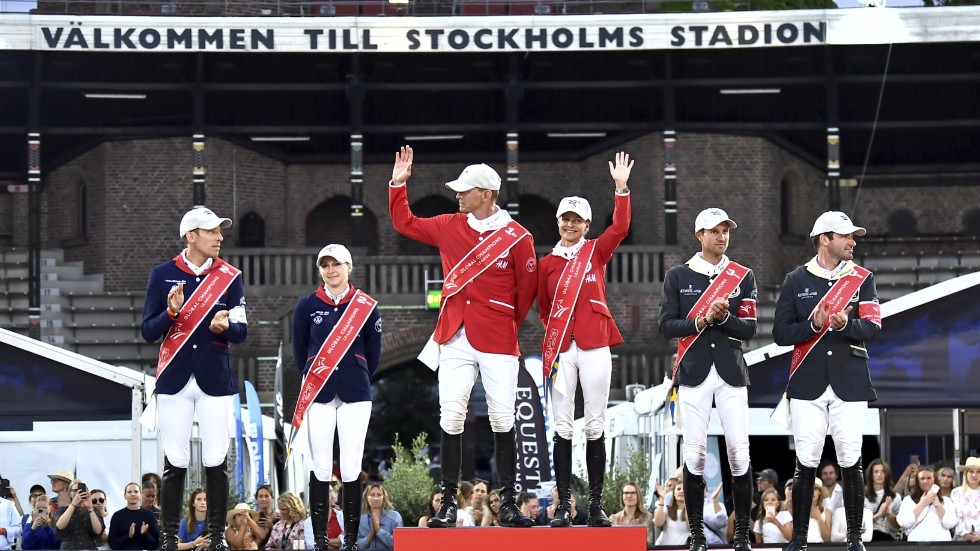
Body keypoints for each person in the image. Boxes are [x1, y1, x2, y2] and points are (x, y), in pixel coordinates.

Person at [388, 146, 536, 529]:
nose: (457, 195)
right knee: (450, 417)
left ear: (485, 194)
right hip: (453, 335)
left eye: (464, 190)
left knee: (503, 419)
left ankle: (507, 504)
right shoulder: (450, 224)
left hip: (498, 337)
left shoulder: (518, 237)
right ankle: (449, 506)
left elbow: (527, 292)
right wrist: (398, 184)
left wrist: (503, 322)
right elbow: (405, 222)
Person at [773, 211, 881, 551]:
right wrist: (815, 326)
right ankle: (800, 541)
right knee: (806, 460)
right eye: (846, 236)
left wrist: (842, 326)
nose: (853, 241)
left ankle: (854, 540)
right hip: (808, 381)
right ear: (825, 239)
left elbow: (873, 327)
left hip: (850, 380)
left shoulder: (863, 279)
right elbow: (780, 333)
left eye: (853, 237)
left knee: (851, 458)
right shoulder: (795, 279)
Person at [142, 206, 248, 551]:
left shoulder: (231, 276)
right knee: (175, 460)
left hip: (215, 378)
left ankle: (217, 537)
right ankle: (170, 538)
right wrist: (171, 312)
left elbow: (242, 331)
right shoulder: (161, 275)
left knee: (216, 459)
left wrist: (226, 327)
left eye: (220, 231)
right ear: (191, 236)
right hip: (174, 377)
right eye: (212, 231)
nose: (219, 237)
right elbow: (147, 331)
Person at [537, 152, 633, 528]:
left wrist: (621, 189)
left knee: (594, 424)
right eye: (565, 218)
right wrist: (560, 334)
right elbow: (544, 309)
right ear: (558, 222)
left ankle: (595, 505)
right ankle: (563, 506)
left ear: (587, 224)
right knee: (562, 427)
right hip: (562, 349)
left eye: (577, 220)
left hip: (595, 345)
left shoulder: (596, 251)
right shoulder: (546, 264)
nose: (570, 224)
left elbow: (621, 227)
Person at [658, 207, 758, 551]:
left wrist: (726, 315)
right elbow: (665, 325)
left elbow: (750, 327)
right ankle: (697, 535)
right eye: (714, 231)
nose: (722, 236)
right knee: (695, 454)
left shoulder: (743, 276)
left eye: (726, 230)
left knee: (739, 453)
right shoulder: (677, 275)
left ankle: (742, 534)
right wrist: (700, 322)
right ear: (699, 234)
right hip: (694, 372)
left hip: (731, 372)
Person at [292, 243, 382, 551]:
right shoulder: (306, 305)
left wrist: (354, 374)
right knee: (320, 465)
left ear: (349, 267)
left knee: (351, 465)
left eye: (337, 264)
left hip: (355, 392)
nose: (331, 270)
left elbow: (374, 354)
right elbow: (299, 351)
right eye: (325, 265)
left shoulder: (366, 306)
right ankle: (319, 539)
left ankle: (352, 540)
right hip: (319, 392)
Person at [897, 465, 957, 541]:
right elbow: (904, 522)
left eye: (929, 478)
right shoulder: (908, 500)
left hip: (941, 544)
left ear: (934, 480)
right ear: (918, 482)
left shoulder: (946, 501)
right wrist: (922, 503)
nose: (926, 481)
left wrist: (938, 505)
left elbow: (951, 523)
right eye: (922, 478)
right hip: (916, 545)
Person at [55, 480, 105, 550]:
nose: (78, 493)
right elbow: (60, 526)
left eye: (82, 490)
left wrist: (90, 508)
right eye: (75, 490)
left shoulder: (94, 510)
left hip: (89, 548)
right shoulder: (63, 510)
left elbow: (98, 530)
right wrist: (73, 504)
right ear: (69, 494)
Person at [108, 483, 159, 550]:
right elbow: (112, 544)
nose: (133, 494)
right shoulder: (117, 516)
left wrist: (145, 534)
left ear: (140, 495)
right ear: (125, 496)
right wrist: (128, 536)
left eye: (136, 491)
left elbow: (155, 544)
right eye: (129, 492)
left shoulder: (149, 515)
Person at [863, 458, 901, 541]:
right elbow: (861, 524)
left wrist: (888, 513)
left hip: (888, 538)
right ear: (871, 475)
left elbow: (898, 525)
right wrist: (880, 513)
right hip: (868, 538)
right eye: (876, 472)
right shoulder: (862, 496)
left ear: (887, 474)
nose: (879, 474)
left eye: (883, 471)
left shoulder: (895, 496)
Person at [356, 484, 402, 551]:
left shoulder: (395, 517)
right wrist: (370, 536)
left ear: (383, 497)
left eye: (379, 495)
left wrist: (378, 531)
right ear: (366, 497)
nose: (376, 498)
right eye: (372, 495)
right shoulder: (360, 519)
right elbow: (356, 546)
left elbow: (399, 543)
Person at [951, 456, 980, 542]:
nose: (974, 475)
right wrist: (964, 534)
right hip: (962, 540)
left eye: (978, 472)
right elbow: (957, 516)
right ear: (966, 474)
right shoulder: (956, 492)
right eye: (971, 471)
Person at [653, 481, 690, 545]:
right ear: (674, 494)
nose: (681, 491)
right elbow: (658, 523)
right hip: (666, 548)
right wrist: (661, 498)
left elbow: (691, 527)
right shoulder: (666, 509)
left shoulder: (694, 512)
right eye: (678, 489)